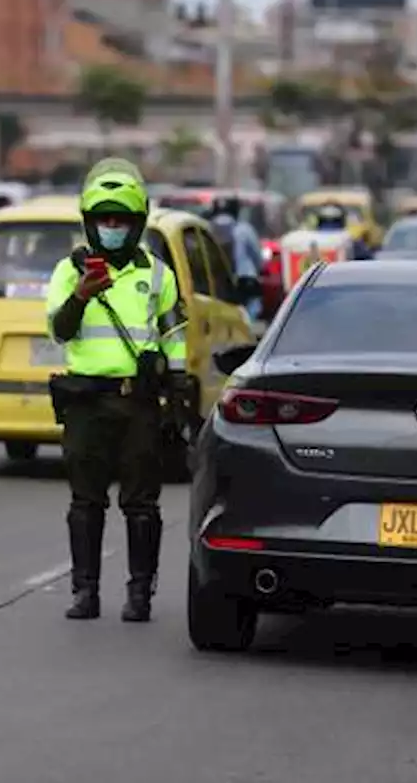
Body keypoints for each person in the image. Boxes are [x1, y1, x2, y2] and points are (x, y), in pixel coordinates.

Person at [45, 158, 187, 622]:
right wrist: (83, 293)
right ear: (89, 221)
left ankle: (140, 594)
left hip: (138, 403)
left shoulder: (160, 276)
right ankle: (85, 593)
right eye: (103, 218)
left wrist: (173, 376)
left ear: (137, 222)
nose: (111, 227)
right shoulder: (69, 271)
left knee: (142, 505)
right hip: (85, 403)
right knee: (85, 502)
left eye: (120, 219)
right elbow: (61, 332)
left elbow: (175, 335)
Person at [207, 196, 263, 320]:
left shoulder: (208, 229)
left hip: (220, 280)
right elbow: (257, 256)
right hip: (246, 277)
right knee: (250, 311)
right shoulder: (245, 230)